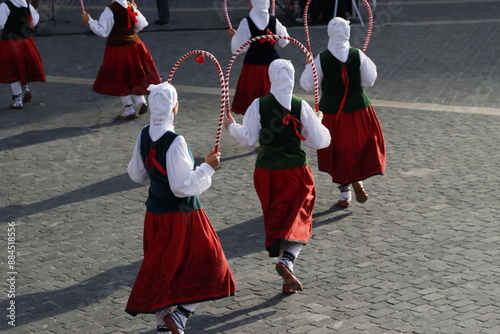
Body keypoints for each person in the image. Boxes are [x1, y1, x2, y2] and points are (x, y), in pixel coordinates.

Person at [125, 82, 236, 334]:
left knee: (164, 268)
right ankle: (181, 315)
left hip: (154, 214)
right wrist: (208, 167)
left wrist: (154, 181)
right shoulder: (175, 141)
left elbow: (136, 173)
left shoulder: (143, 133)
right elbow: (181, 187)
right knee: (209, 262)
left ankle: (164, 325)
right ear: (175, 108)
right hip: (183, 216)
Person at [224, 59, 331, 294]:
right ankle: (287, 262)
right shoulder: (300, 106)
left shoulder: (257, 105)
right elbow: (319, 142)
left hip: (266, 172)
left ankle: (287, 274)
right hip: (295, 170)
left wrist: (232, 126)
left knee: (278, 218)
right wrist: (319, 122)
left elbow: (249, 139)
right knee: (299, 218)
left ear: (271, 78)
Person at [300, 17, 386, 208]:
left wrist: (308, 65)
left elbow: (307, 85)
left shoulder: (321, 58)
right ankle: (357, 180)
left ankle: (345, 192)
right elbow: (370, 79)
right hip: (358, 109)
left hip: (331, 111)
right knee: (358, 145)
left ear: (330, 33)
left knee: (337, 149)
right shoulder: (357, 55)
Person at [81, 0, 161, 120]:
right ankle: (141, 102)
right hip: (136, 45)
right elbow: (141, 24)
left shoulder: (110, 9)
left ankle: (129, 109)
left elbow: (103, 31)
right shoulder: (130, 5)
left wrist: (90, 21)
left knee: (121, 78)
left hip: (118, 48)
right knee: (134, 74)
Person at [228, 0, 289, 115]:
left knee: (253, 97)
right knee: (273, 91)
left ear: (253, 3)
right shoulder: (273, 20)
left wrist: (234, 36)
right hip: (272, 63)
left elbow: (238, 47)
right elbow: (284, 40)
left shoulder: (247, 22)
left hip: (253, 64)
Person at [0, 0, 45, 109]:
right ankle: (25, 89)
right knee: (22, 66)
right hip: (27, 42)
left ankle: (18, 100)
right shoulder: (26, 5)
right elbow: (34, 21)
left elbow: (1, 24)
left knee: (13, 70)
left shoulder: (5, 5)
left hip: (10, 43)